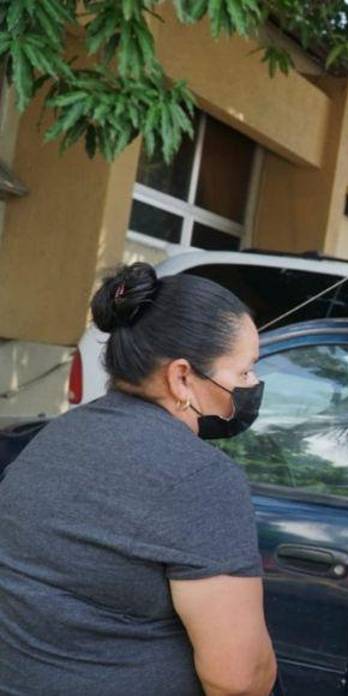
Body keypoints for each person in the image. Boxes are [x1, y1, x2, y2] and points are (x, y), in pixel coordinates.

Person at [0, 263, 276, 696]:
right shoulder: (201, 478)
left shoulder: (55, 434)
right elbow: (238, 681)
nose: (254, 384)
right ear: (182, 376)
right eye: (243, 372)